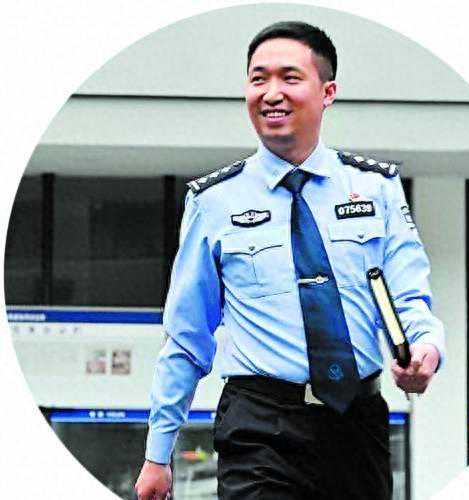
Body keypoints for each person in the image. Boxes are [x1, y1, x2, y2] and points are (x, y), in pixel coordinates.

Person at [135, 21, 444, 500]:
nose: (271, 93)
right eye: (258, 79)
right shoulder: (213, 202)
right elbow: (187, 335)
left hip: (356, 423)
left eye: (289, 77)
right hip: (260, 425)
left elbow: (408, 294)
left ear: (327, 92)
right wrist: (158, 453)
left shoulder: (376, 188)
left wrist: (425, 349)